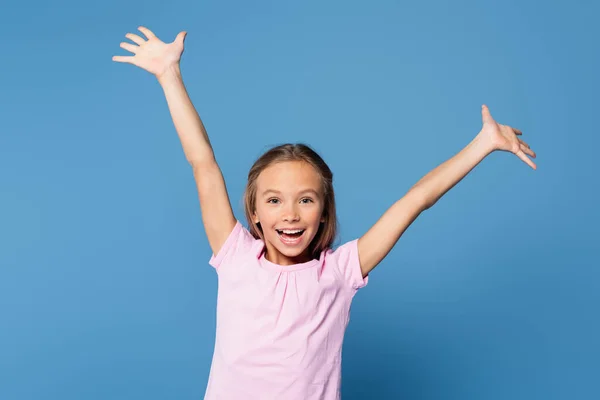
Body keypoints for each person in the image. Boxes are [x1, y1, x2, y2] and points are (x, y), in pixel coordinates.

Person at [113, 27, 537, 400]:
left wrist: (482, 144)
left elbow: (415, 200)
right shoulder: (234, 254)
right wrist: (170, 76)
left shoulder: (338, 272)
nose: (291, 214)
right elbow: (202, 161)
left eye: (306, 200)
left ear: (323, 211)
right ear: (255, 212)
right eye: (275, 200)